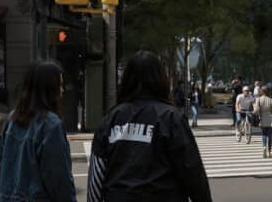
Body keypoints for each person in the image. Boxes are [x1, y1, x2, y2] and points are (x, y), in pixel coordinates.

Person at [88, 50, 211, 202]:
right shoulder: (171, 118)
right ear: (160, 79)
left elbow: (96, 179)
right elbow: (193, 173)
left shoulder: (110, 119)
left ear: (126, 80)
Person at [0, 60, 77, 202]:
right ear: (50, 90)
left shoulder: (11, 120)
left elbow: (1, 167)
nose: (62, 90)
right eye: (59, 85)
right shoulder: (51, 126)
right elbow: (60, 183)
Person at [256, 86, 272, 159]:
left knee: (264, 134)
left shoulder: (258, 99)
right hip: (270, 118)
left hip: (262, 118)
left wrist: (259, 117)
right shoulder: (271, 100)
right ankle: (269, 152)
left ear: (262, 91)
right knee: (270, 135)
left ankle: (264, 146)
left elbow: (257, 110)